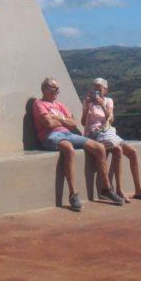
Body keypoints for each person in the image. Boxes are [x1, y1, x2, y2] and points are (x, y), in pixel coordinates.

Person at [33, 77, 124, 210]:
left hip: (68, 134)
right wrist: (64, 121)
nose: (58, 91)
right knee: (68, 149)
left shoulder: (60, 105)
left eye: (58, 88)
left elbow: (73, 123)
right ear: (45, 89)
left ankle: (106, 189)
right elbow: (48, 123)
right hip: (51, 136)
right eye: (55, 88)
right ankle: (73, 194)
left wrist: (60, 118)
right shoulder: (39, 104)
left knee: (99, 148)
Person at [82, 77, 141, 202]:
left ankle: (139, 190)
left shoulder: (108, 101)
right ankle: (119, 189)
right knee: (117, 150)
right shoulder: (87, 102)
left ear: (105, 90)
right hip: (94, 134)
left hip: (108, 133)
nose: (96, 90)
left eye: (99, 87)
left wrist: (102, 105)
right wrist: (87, 107)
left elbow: (110, 119)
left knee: (133, 153)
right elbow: (83, 123)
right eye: (94, 87)